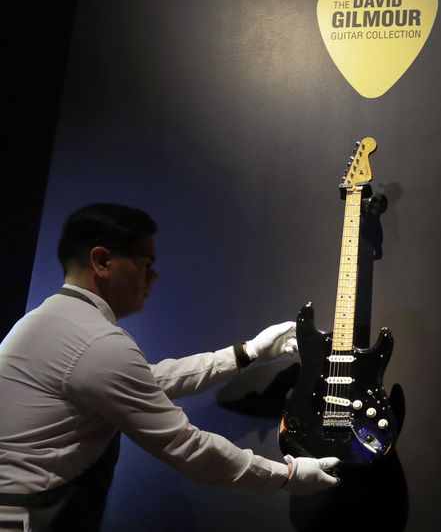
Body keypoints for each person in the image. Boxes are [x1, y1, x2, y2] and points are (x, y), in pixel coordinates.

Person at [0, 203, 339, 531]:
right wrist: (287, 476)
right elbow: (186, 446)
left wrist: (246, 352)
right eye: (145, 262)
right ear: (102, 261)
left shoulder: (49, 321)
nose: (155, 275)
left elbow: (147, 380)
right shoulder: (96, 343)